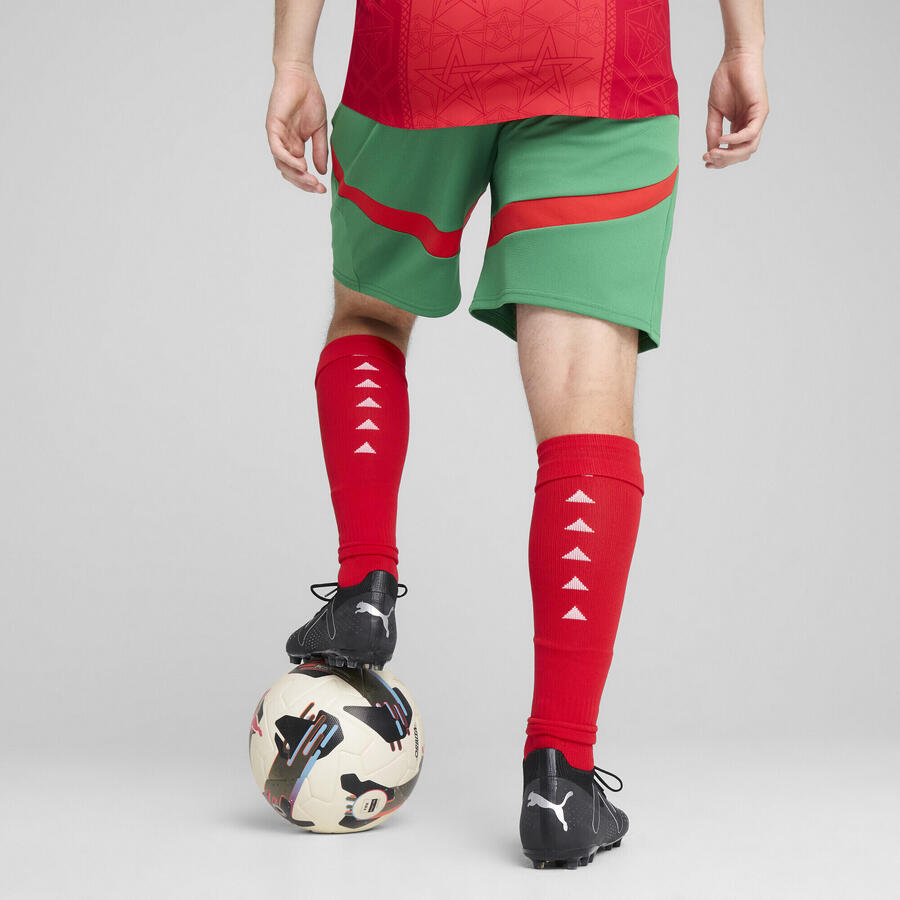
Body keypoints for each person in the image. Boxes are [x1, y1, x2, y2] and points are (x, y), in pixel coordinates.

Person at [266, 0, 768, 868]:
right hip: (602, 54)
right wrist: (744, 43)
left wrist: (292, 61)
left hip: (419, 45)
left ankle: (363, 589)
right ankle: (560, 778)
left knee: (370, 316)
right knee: (584, 393)